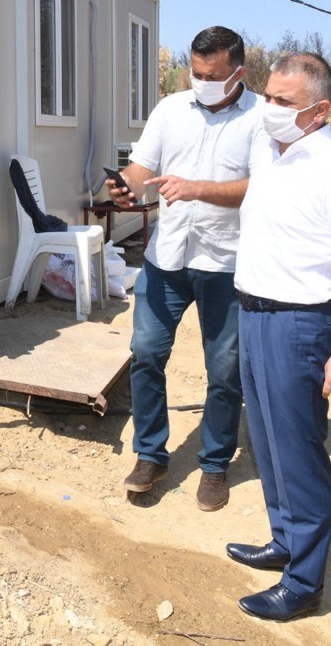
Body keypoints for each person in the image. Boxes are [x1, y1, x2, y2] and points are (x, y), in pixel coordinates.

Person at [224, 52, 331, 621]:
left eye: (282, 102)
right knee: (267, 443)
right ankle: (284, 539)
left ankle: (304, 582)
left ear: (318, 110)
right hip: (254, 314)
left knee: (298, 452)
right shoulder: (271, 153)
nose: (267, 109)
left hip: (300, 324)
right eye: (267, 96)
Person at [107, 26, 264, 512]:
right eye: (194, 73)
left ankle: (215, 464)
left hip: (228, 264)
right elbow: (141, 166)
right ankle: (151, 455)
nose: (201, 82)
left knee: (224, 371)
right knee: (146, 353)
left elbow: (262, 188)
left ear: (239, 71)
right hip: (168, 259)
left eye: (212, 75)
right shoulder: (171, 109)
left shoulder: (262, 118)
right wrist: (128, 187)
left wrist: (197, 189)